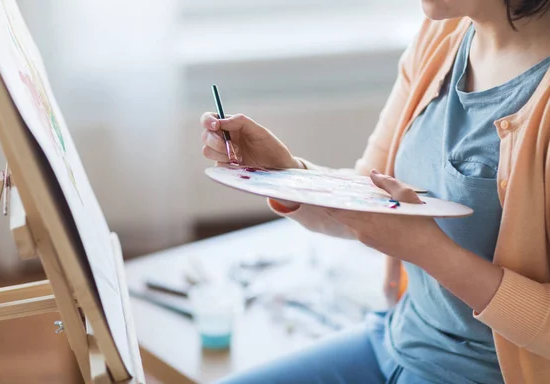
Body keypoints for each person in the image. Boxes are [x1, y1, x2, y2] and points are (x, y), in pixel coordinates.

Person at [199, 0, 550, 383]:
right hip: (398, 339)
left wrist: (428, 251)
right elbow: (367, 199)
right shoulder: (442, 35)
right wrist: (285, 174)